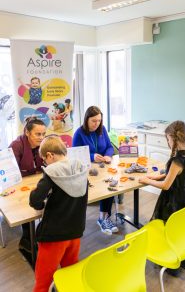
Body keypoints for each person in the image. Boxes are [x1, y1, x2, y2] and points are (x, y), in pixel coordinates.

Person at [139, 120, 185, 275]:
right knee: (183, 228)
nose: (167, 142)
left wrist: (148, 180)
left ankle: (172, 260)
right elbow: (177, 175)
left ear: (173, 139)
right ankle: (184, 256)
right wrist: (159, 175)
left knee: (171, 226)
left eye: (167, 139)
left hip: (175, 198)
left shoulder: (177, 161)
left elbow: (166, 185)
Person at [29, 136, 88, 292]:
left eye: (44, 160)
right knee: (70, 272)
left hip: (54, 235)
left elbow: (35, 200)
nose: (45, 163)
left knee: (43, 279)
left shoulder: (52, 172)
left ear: (50, 155)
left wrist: (40, 203)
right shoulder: (81, 167)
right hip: (75, 231)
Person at [72, 105, 118, 235]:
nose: (96, 124)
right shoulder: (79, 133)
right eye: (93, 121)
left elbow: (109, 146)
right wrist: (92, 156)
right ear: (87, 119)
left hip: (103, 168)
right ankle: (103, 218)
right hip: (88, 171)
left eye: (99, 121)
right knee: (102, 189)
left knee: (108, 187)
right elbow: (75, 155)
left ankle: (104, 218)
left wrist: (108, 155)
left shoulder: (102, 129)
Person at [9, 117, 46, 252]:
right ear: (27, 132)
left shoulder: (43, 144)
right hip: (17, 184)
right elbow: (10, 173)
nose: (41, 137)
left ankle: (40, 234)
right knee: (26, 205)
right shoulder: (16, 146)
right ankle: (26, 240)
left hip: (35, 181)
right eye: (37, 134)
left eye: (43, 134)